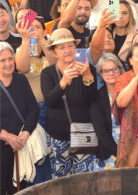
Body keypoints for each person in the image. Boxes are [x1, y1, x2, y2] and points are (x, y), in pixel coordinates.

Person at [41, 28, 97, 178]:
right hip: (58, 135)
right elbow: (50, 101)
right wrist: (64, 81)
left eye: (70, 45)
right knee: (60, 181)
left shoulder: (87, 68)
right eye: (61, 47)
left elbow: (92, 99)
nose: (67, 50)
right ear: (54, 52)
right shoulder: (48, 73)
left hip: (84, 132)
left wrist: (87, 77)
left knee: (84, 179)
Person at [14, 16, 56, 185]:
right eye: (30, 27)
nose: (33, 30)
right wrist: (26, 39)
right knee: (37, 152)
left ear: (45, 30)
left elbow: (54, 64)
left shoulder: (50, 49)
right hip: (32, 111)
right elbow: (22, 68)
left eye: (37, 27)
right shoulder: (22, 50)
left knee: (51, 151)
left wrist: (41, 38)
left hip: (52, 108)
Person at [0, 42, 38, 195]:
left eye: (10, 59)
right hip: (1, 147)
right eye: (2, 60)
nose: (8, 63)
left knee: (18, 191)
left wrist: (24, 135)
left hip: (20, 147)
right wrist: (6, 135)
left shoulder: (21, 79)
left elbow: (34, 109)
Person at [91, 53, 123, 170]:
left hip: (132, 151)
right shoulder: (97, 98)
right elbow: (101, 132)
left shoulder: (130, 93)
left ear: (120, 69)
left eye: (115, 69)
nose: (111, 73)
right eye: (106, 71)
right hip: (108, 154)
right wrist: (118, 153)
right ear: (101, 74)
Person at [110, 0, 138, 65]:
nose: (120, 16)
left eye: (124, 13)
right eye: (117, 12)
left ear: (130, 15)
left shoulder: (137, 37)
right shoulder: (107, 34)